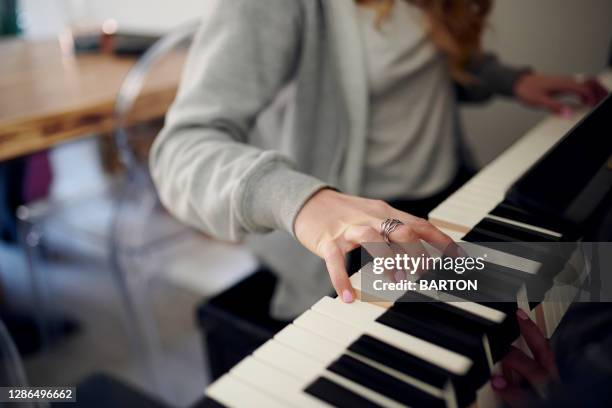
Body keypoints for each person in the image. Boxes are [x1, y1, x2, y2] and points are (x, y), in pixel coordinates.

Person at [150, 0, 608, 320]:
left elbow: (434, 64)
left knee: (583, 282)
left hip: (450, 200)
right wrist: (305, 200)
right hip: (367, 233)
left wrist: (510, 81)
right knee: (581, 287)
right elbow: (181, 149)